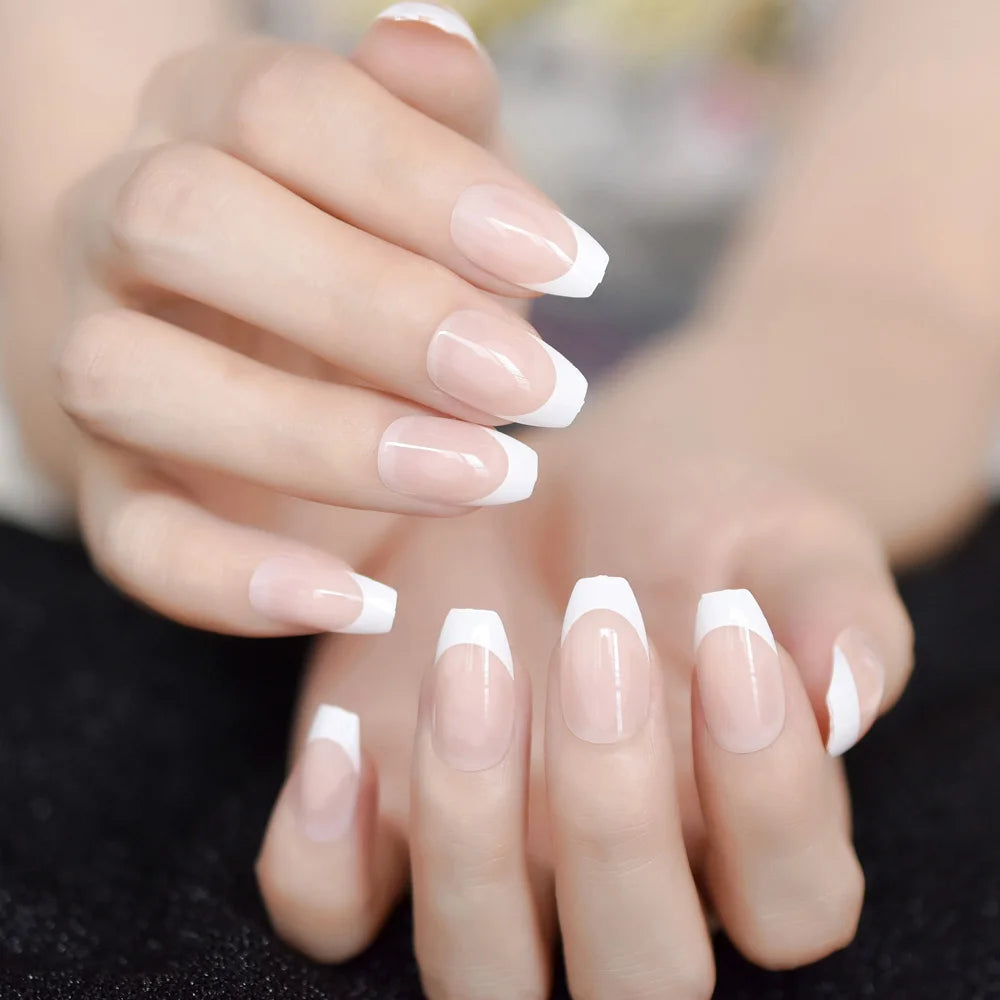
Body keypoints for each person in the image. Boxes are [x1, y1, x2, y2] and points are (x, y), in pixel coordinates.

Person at [2, 0, 998, 995]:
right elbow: (58, 251)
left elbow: (898, 297)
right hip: (250, 557)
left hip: (786, 413)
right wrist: (193, 387)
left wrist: (719, 436)